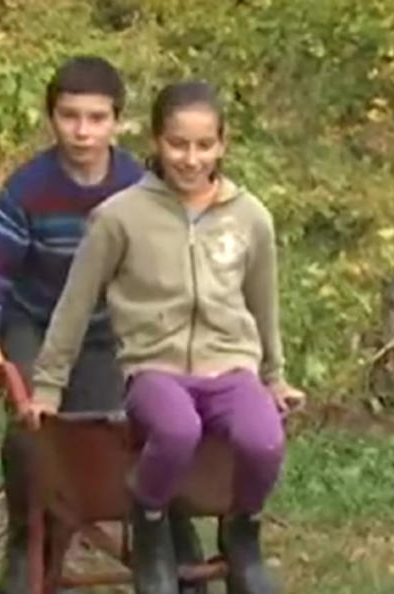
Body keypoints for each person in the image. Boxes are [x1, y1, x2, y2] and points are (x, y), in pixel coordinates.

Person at [27, 80, 306, 594]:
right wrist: (47, 386)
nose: (191, 159)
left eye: (204, 145)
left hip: (230, 368)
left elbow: (263, 304)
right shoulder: (120, 217)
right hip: (155, 369)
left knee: (264, 441)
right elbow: (75, 304)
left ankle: (242, 532)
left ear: (222, 144)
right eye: (178, 144)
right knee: (177, 431)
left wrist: (274, 377)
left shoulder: (250, 218)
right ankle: (150, 522)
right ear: (157, 140)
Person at [0, 57, 206, 594]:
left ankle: (162, 546)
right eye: (70, 116)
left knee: (118, 434)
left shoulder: (140, 188)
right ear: (52, 118)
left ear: (117, 121)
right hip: (37, 321)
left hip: (106, 331)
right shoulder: (29, 189)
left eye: (96, 118)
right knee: (34, 432)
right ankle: (28, 546)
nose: (82, 131)